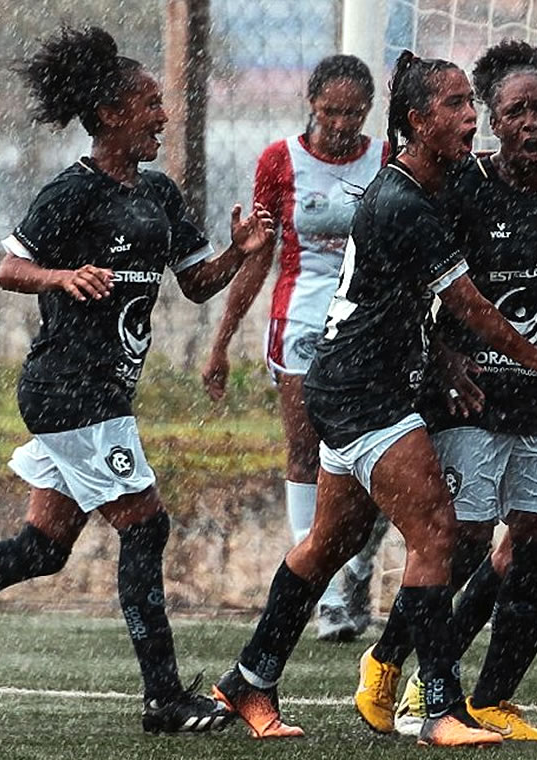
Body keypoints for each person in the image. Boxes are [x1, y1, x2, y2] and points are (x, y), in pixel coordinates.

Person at [0, 24, 274, 735]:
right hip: (68, 389)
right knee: (147, 524)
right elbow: (9, 268)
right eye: (149, 105)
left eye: (163, 105)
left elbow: (197, 285)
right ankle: (163, 698)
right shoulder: (72, 192)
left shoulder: (161, 195)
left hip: (101, 395)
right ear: (109, 115)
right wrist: (63, 275)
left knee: (42, 549)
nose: (163, 117)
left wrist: (237, 252)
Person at [209, 50, 537, 748]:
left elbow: (500, 177)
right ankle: (439, 710)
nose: (472, 118)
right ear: (417, 122)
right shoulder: (401, 201)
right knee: (439, 530)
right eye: (458, 106)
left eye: (472, 104)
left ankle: (250, 679)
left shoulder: (437, 177)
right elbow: (467, 302)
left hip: (359, 383)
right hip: (362, 392)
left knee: (328, 543)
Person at [358, 39, 537, 742]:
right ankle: (397, 664)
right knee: (464, 543)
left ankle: (493, 698)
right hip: (471, 400)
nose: (530, 124)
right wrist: (443, 352)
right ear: (494, 117)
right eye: (515, 111)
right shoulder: (462, 188)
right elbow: (420, 288)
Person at [201, 55, 389, 643]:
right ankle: (325, 595)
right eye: (330, 111)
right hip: (301, 320)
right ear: (311, 103)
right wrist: (223, 338)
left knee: (386, 458)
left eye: (353, 112)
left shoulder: (385, 159)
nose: (341, 123)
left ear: (369, 110)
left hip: (372, 325)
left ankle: (355, 566)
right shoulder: (279, 161)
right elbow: (259, 252)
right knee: (307, 452)